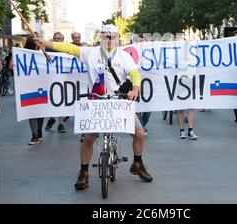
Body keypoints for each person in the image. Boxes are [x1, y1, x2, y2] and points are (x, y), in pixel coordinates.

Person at [35, 24, 153, 190]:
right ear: (101, 37)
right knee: (89, 138)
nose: (109, 39)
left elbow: (135, 74)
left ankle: (138, 164)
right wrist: (46, 43)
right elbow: (68, 48)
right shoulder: (90, 53)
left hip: (119, 102)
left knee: (140, 134)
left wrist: (135, 89)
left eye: (112, 36)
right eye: (106, 36)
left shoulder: (124, 56)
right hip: (96, 103)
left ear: (117, 38)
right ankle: (83, 173)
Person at [45, 32, 68, 133]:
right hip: (51, 77)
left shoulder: (67, 49)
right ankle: (51, 118)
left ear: (63, 39)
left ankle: (61, 123)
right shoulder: (48, 49)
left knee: (62, 100)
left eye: (60, 38)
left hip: (63, 78)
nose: (58, 40)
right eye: (56, 38)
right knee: (51, 99)